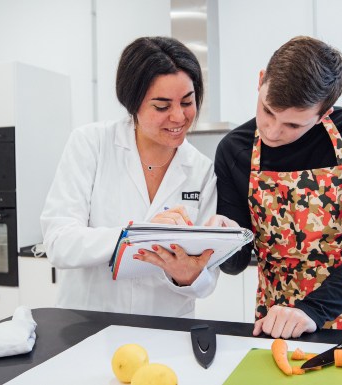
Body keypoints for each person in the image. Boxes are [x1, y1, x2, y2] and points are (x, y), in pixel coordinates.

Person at [40, 36, 234, 318]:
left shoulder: (201, 169)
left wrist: (187, 274)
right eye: (162, 106)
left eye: (187, 101)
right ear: (133, 103)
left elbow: (205, 283)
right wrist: (135, 237)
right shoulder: (91, 144)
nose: (179, 117)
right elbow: (59, 242)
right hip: (90, 321)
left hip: (167, 327)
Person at [215, 36, 342, 338]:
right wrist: (222, 239)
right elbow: (236, 264)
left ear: (325, 112)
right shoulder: (234, 149)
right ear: (261, 81)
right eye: (268, 110)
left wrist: (311, 311)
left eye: (293, 125)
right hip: (275, 328)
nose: (273, 131)